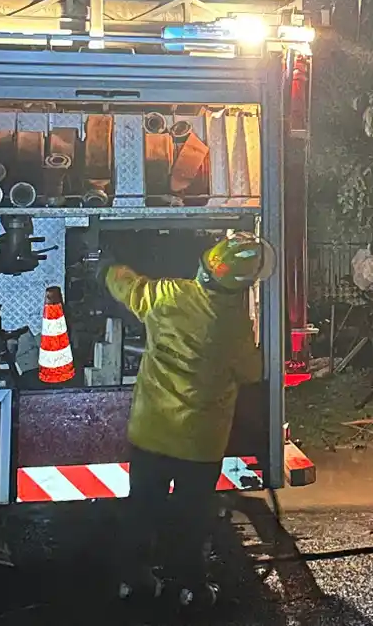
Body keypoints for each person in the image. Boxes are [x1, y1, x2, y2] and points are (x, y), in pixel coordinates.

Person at [102, 233, 266, 608]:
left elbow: (127, 286)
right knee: (191, 519)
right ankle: (191, 588)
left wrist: (107, 267)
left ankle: (135, 581)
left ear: (204, 267)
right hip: (199, 445)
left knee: (142, 510)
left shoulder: (168, 294)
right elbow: (251, 372)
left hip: (151, 434)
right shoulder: (235, 326)